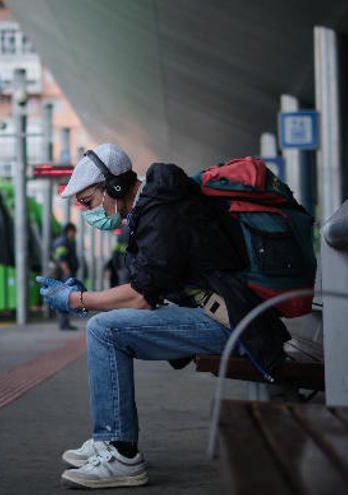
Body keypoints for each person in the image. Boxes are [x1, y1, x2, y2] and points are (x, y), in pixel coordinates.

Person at [36, 144, 289, 489]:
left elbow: (141, 297)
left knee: (103, 331)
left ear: (114, 187)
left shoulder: (163, 213)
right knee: (105, 326)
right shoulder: (157, 209)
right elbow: (150, 286)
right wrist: (88, 298)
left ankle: (119, 451)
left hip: (236, 324)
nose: (86, 212)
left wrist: (78, 300)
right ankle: (107, 439)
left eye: (87, 201)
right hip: (229, 317)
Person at [51, 223, 79, 330]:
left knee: (66, 300)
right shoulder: (63, 241)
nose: (74, 235)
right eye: (74, 232)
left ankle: (65, 323)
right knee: (65, 299)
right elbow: (61, 259)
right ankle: (64, 324)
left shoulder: (66, 241)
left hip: (65, 275)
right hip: (65, 276)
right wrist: (68, 273)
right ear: (69, 231)